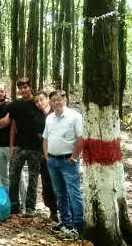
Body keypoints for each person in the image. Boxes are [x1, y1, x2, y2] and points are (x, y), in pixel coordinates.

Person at [43, 90, 84, 239]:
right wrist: (47, 156)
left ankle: (79, 226)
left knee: (74, 193)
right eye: (53, 100)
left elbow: (80, 139)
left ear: (65, 100)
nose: (56, 103)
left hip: (68, 161)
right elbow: (45, 138)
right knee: (60, 194)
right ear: (50, 102)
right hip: (52, 161)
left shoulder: (75, 116)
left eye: (59, 100)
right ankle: (66, 223)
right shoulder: (50, 118)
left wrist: (74, 157)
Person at [7, 77, 46, 217]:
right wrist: (11, 147)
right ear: (19, 89)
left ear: (30, 87)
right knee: (13, 176)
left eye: (26, 87)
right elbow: (13, 126)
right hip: (19, 146)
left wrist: (44, 149)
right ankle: (14, 205)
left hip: (35, 148)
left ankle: (30, 208)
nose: (24, 90)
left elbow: (46, 123)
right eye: (21, 88)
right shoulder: (15, 105)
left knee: (33, 178)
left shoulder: (37, 102)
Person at [34, 91, 58, 222]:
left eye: (41, 100)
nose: (39, 103)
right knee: (47, 183)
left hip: (59, 155)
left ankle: (66, 212)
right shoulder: (38, 117)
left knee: (60, 183)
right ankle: (53, 210)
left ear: (47, 100)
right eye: (36, 101)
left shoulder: (55, 114)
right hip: (44, 156)